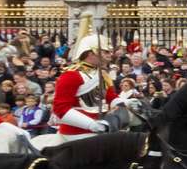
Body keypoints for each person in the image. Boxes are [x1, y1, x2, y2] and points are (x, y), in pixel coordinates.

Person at [49, 14, 131, 142]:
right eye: (105, 51)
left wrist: (128, 103)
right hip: (77, 133)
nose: (110, 55)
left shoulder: (103, 74)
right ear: (91, 53)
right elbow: (60, 108)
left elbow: (110, 98)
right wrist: (91, 124)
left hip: (103, 127)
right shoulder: (71, 75)